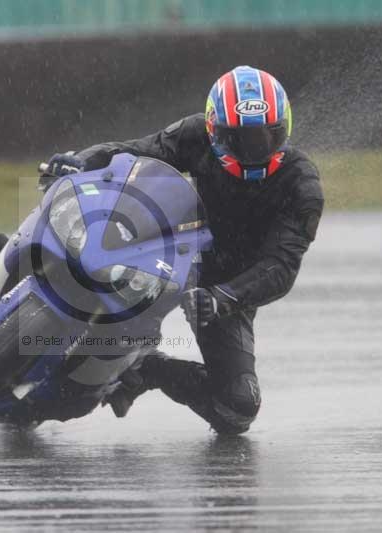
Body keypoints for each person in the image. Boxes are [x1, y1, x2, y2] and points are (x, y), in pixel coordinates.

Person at [43, 66, 324, 434]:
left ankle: (146, 368)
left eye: (267, 138)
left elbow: (281, 266)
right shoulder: (194, 135)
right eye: (239, 140)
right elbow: (132, 152)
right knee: (88, 239)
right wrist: (79, 161)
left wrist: (224, 297)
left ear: (285, 130)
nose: (254, 153)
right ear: (214, 130)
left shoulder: (303, 185)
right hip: (165, 249)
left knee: (237, 407)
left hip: (227, 284)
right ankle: (35, 277)